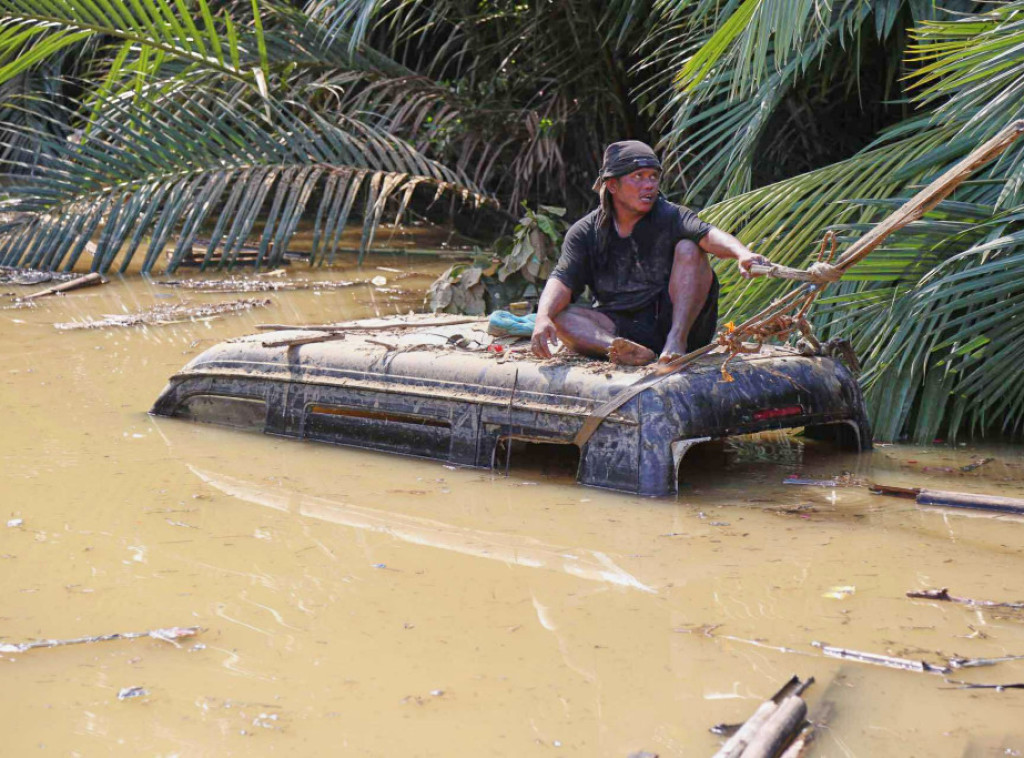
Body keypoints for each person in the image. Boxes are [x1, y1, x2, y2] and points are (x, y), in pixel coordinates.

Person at [530, 140, 769, 366]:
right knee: (560, 317)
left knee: (689, 247)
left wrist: (742, 253)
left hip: (675, 323)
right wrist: (542, 317)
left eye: (654, 177)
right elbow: (562, 278)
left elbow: (708, 234)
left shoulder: (671, 215)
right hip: (621, 326)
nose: (650, 185)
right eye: (638, 177)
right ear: (612, 185)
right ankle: (621, 350)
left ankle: (676, 341)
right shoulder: (585, 231)